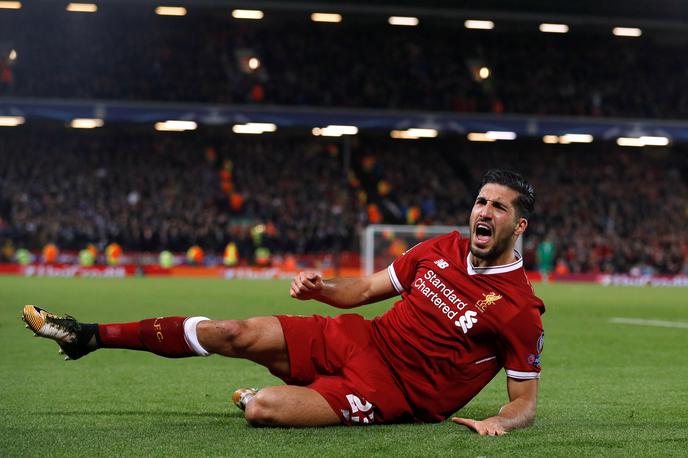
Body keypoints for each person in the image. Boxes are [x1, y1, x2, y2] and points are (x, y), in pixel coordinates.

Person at [23, 169, 545, 436]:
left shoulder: (520, 309)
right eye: (481, 200)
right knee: (235, 332)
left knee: (262, 409)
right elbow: (362, 292)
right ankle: (89, 335)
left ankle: (289, 390)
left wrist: (502, 420)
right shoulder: (438, 248)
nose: (484, 211)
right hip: (363, 339)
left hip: (395, 394)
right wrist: (323, 290)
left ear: (517, 225)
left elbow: (525, 399)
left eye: (498, 207)